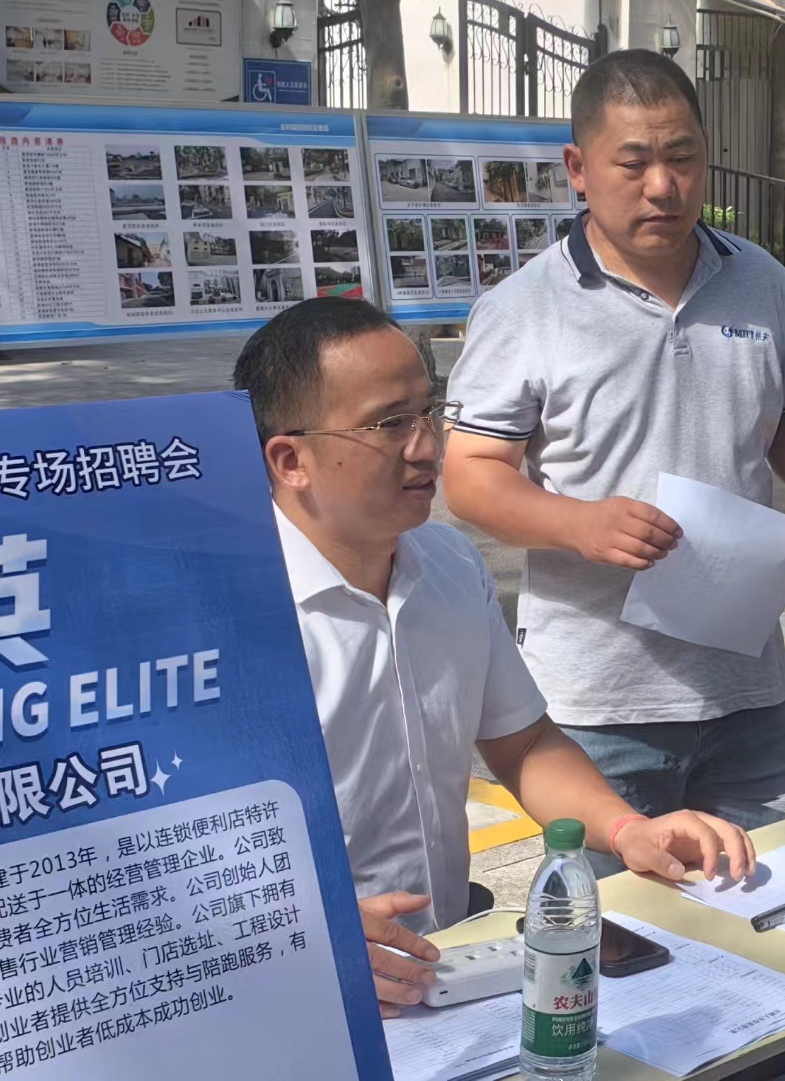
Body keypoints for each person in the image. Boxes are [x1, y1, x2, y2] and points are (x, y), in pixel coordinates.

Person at [234, 297, 758, 1016]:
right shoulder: (229, 619)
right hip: (287, 996)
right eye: (390, 423)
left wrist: (629, 829)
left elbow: (523, 740)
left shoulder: (446, 563)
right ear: (289, 458)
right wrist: (295, 936)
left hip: (443, 970)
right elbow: (161, 852)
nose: (427, 445)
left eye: (429, 410)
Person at [443, 49, 785, 853]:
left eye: (682, 158)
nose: (663, 186)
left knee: (775, 921)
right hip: (599, 706)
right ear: (579, 169)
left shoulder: (758, 280)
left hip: (748, 687)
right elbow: (470, 477)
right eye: (633, 163)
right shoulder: (524, 308)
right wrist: (579, 524)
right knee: (626, 957)